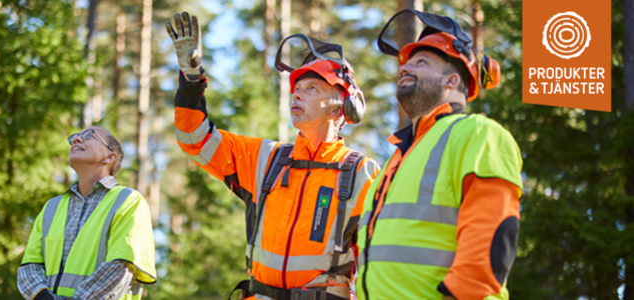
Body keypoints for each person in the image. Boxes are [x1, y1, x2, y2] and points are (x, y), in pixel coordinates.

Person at [166, 12, 380, 300]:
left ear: (339, 108)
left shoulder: (361, 173)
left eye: (312, 88)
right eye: (297, 89)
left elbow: (378, 261)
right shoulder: (264, 159)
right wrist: (191, 78)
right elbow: (193, 136)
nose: (297, 95)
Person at [356, 9, 521, 300]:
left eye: (421, 62)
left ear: (451, 81)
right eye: (405, 63)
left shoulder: (478, 134)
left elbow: (489, 242)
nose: (405, 68)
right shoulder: (397, 158)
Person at [17, 126, 157, 300]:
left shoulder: (128, 201)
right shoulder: (51, 207)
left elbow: (120, 267)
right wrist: (43, 296)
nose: (76, 140)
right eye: (74, 137)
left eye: (90, 136)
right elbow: (29, 266)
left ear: (110, 157)